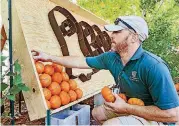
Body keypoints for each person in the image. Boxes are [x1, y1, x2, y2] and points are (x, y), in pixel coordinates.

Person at [32, 16, 179, 125]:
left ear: (134, 37)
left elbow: (173, 115)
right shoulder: (112, 58)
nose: (111, 36)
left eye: (117, 32)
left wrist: (127, 108)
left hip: (157, 119)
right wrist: (48, 57)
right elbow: (80, 61)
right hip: (128, 105)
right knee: (97, 113)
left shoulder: (154, 67)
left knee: (111, 125)